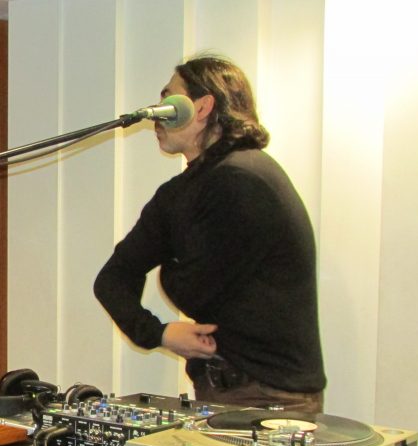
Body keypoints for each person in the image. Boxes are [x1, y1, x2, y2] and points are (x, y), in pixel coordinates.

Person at [93, 55, 326, 414]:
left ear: (202, 107)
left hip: (268, 399)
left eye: (169, 99)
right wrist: (159, 333)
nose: (156, 115)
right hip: (229, 392)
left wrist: (169, 271)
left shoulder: (243, 179)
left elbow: (196, 289)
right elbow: (113, 278)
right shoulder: (182, 191)